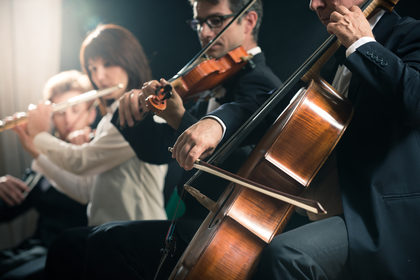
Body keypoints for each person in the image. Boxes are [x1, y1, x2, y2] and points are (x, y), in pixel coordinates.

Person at [171, 0, 420, 279]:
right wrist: (217, 123)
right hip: (320, 212)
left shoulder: (410, 34)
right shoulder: (331, 48)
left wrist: (362, 45)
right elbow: (274, 105)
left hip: (379, 220)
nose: (315, 4)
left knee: (287, 256)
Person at [43, 0, 282, 279]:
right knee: (72, 244)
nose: (204, 33)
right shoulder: (213, 81)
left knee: (101, 241)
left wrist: (179, 117)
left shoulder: (261, 83)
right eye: (199, 23)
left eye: (215, 21)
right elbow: (157, 151)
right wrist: (132, 113)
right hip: (194, 222)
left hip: (226, 229)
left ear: (249, 21)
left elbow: (214, 156)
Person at [20, 24, 168, 227]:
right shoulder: (110, 118)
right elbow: (84, 191)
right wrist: (37, 152)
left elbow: (82, 161)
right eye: (93, 69)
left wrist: (40, 136)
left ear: (129, 61)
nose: (99, 77)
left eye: (108, 64)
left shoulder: (141, 112)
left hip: (137, 235)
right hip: (107, 235)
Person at [0, 70, 95, 279]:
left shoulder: (99, 151)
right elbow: (8, 209)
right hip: (34, 252)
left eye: (75, 109)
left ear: (91, 114)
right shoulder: (43, 158)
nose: (68, 119)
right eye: (60, 112)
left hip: (75, 259)